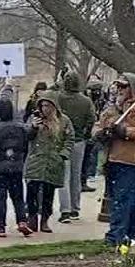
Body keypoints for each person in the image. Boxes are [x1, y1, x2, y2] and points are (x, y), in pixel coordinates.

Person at [94, 73, 135, 247]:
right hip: (112, 158)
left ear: (132, 87)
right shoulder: (112, 107)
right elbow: (98, 125)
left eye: (124, 86)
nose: (120, 89)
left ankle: (115, 236)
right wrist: (101, 133)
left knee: (122, 198)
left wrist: (124, 131)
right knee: (122, 198)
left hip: (133, 160)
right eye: (118, 86)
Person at [49, 72, 97, 223]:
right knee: (76, 176)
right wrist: (85, 133)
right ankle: (75, 208)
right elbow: (91, 119)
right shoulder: (86, 101)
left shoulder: (58, 98)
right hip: (78, 141)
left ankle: (65, 210)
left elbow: (47, 97)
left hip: (61, 140)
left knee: (64, 175)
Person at [0, 98, 30, 237]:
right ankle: (22, 220)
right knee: (18, 196)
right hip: (16, 166)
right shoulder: (21, 128)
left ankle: (0, 226)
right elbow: (25, 146)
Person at [23, 93, 71, 233]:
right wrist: (33, 127)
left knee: (48, 193)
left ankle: (45, 219)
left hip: (53, 160)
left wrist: (63, 154)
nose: (45, 109)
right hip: (36, 159)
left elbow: (69, 139)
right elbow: (27, 136)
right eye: (43, 105)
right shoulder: (35, 119)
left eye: (48, 106)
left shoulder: (64, 121)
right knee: (32, 191)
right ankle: (32, 218)